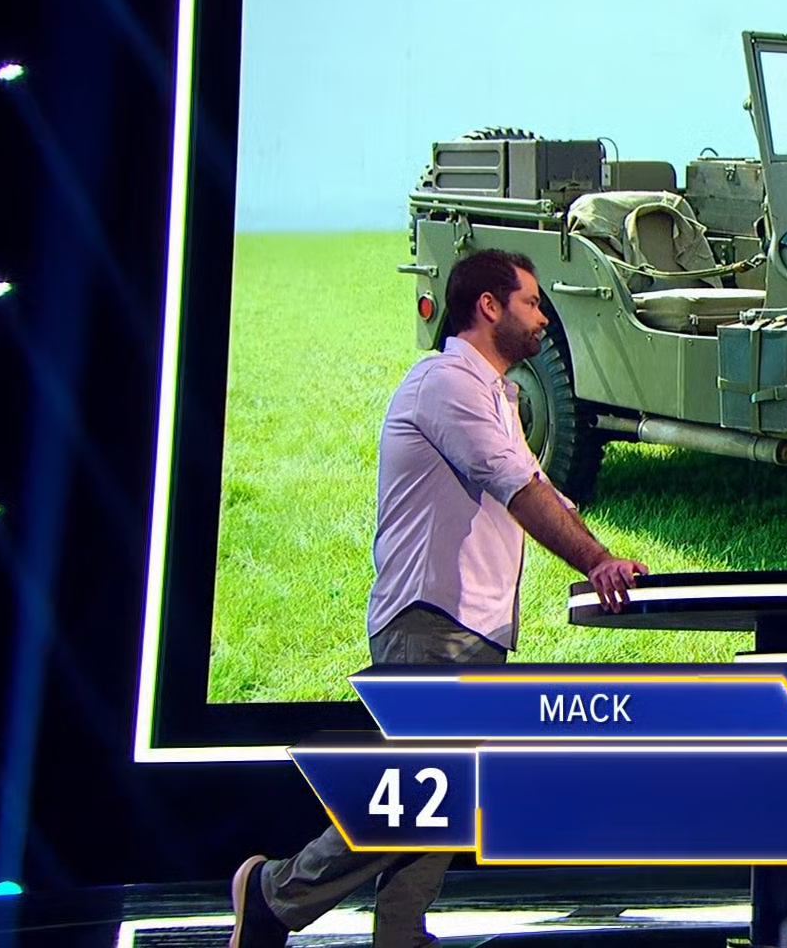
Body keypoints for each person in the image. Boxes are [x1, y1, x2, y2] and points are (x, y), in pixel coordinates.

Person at [228, 249, 650, 948]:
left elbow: (541, 488)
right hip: (432, 620)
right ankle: (274, 894)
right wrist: (597, 561)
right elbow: (521, 488)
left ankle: (400, 933)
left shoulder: (494, 394)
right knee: (420, 792)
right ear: (489, 306)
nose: (543, 318)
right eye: (531, 303)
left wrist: (599, 550)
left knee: (443, 797)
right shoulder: (447, 383)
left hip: (469, 624)